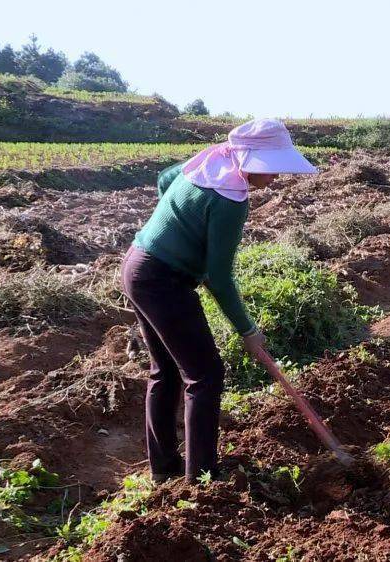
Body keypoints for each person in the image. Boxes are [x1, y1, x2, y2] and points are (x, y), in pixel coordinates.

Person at [121, 119, 318, 482]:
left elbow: (166, 179)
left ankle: (164, 472)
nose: (274, 176)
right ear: (251, 158)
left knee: (165, 371)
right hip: (164, 281)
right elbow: (219, 277)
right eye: (271, 166)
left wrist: (176, 223)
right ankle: (201, 478)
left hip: (137, 266)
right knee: (205, 375)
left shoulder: (209, 163)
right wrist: (247, 330)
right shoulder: (230, 201)